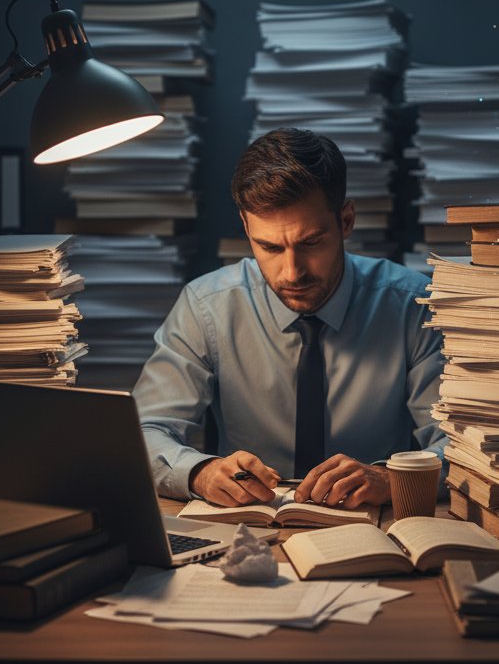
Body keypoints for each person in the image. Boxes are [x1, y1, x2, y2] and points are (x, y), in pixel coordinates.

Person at [137, 128, 444, 509]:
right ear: (246, 228)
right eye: (269, 246)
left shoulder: (413, 306)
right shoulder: (206, 306)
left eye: (311, 242)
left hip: (372, 526)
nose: (291, 273)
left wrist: (392, 479)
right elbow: (145, 431)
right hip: (249, 532)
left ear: (346, 221)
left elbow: (463, 446)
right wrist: (200, 472)